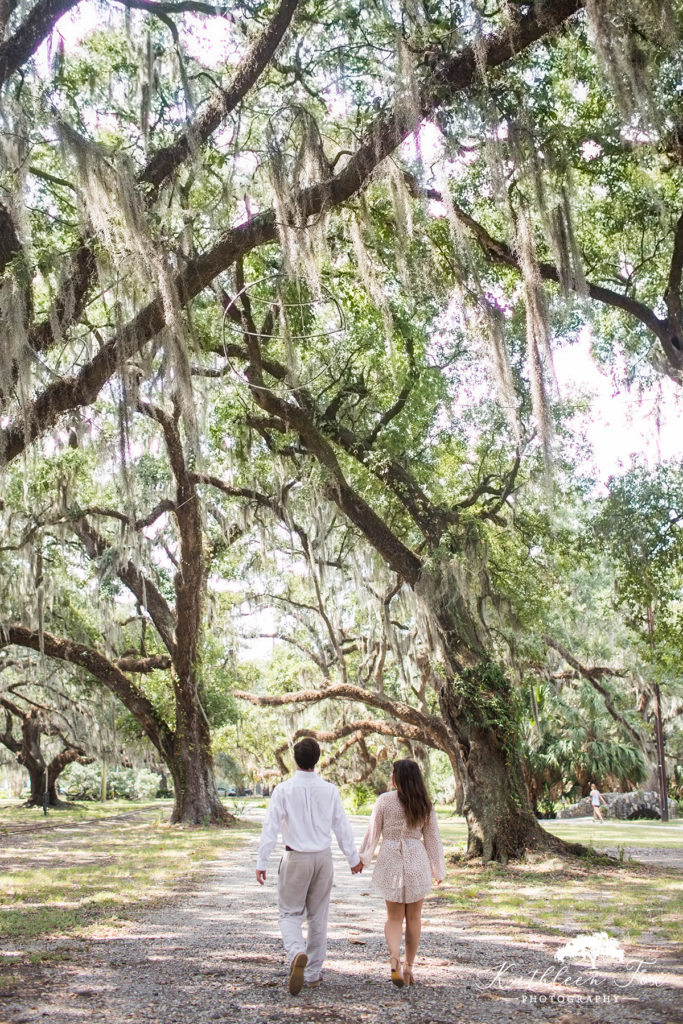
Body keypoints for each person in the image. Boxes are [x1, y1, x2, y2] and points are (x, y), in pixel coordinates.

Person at [256, 737, 364, 995]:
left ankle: (296, 953)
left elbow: (270, 828)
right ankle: (313, 973)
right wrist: (353, 859)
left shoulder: (283, 790)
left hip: (296, 858)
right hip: (323, 858)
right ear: (318, 759)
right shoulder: (330, 790)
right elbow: (341, 826)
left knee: (290, 913)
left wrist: (262, 861)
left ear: (294, 759)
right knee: (318, 916)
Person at [359, 759, 445, 988]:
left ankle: (394, 961)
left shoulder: (384, 801)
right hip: (417, 858)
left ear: (398, 777)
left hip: (391, 859)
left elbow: (373, 834)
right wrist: (437, 869)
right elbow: (433, 838)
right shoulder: (424, 803)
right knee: (414, 917)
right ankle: (408, 967)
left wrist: (362, 859)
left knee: (394, 917)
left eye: (392, 772)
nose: (390, 776)